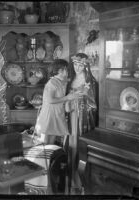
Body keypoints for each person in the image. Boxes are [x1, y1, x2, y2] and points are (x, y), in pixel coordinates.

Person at [66, 53, 99, 191]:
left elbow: (93, 103)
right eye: (75, 64)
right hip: (70, 114)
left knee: (81, 144)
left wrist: (82, 98)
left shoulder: (90, 81)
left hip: (83, 116)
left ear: (86, 66)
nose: (77, 67)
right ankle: (70, 173)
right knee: (70, 142)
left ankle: (82, 177)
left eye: (80, 65)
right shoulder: (70, 78)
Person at [34, 59, 82, 144]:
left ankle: (51, 156)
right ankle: (45, 157)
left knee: (51, 141)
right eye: (64, 69)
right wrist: (67, 98)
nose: (66, 71)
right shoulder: (52, 83)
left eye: (66, 69)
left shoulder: (61, 81)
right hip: (49, 115)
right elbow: (50, 100)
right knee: (44, 142)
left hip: (56, 114)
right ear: (58, 70)